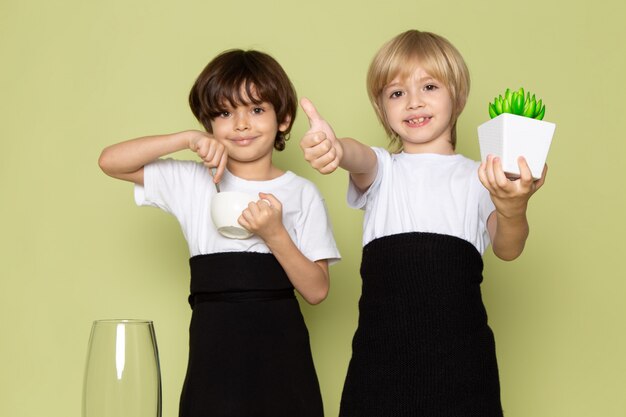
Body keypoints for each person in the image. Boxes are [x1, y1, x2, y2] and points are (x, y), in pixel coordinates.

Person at [299, 30, 547, 416]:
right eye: (396, 93)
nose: (413, 102)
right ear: (382, 109)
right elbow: (358, 157)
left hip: (462, 369)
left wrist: (513, 206)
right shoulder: (384, 170)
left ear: (458, 96)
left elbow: (508, 248)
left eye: (429, 86)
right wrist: (335, 147)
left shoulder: (480, 176)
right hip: (379, 368)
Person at [99, 49, 340, 417]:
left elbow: (317, 290)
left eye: (257, 110)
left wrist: (274, 234)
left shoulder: (302, 192)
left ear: (284, 119)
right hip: (214, 352)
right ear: (208, 122)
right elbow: (110, 162)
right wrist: (184, 139)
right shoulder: (192, 181)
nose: (241, 124)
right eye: (225, 113)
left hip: (281, 357)